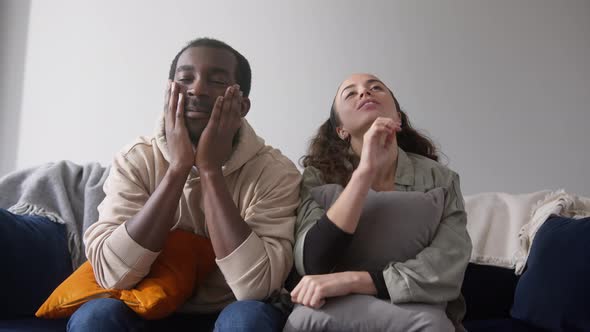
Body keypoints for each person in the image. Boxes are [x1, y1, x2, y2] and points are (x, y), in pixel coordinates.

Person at [67, 38, 301, 332]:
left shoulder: (275, 172)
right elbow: (111, 274)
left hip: (228, 309)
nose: (197, 89)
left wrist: (210, 170)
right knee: (96, 317)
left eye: (216, 80)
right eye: (185, 79)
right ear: (169, 93)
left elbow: (256, 288)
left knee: (248, 319)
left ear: (241, 106)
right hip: (143, 303)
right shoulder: (136, 159)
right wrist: (178, 169)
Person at [290, 73, 472, 331]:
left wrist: (354, 280)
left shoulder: (440, 178)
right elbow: (311, 261)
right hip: (329, 308)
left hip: (418, 311)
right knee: (302, 321)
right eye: (351, 93)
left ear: (397, 116)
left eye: (376, 87)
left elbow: (447, 265)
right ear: (340, 129)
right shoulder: (317, 177)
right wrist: (364, 172)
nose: (365, 93)